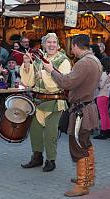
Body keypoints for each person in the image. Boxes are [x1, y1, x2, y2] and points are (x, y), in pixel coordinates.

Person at [43, 34, 101, 197]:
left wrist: (51, 70)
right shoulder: (94, 60)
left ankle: (83, 184)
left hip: (81, 111)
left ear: (76, 45)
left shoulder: (84, 63)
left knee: (78, 146)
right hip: (87, 107)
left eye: (72, 46)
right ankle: (88, 178)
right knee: (85, 143)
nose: (71, 49)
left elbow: (66, 82)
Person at [20, 33, 71, 172]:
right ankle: (37, 157)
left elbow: (62, 82)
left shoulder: (63, 60)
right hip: (38, 101)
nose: (51, 45)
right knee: (35, 132)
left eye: (54, 42)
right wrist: (26, 64)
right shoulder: (37, 59)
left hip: (55, 101)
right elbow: (29, 82)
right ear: (43, 44)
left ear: (58, 45)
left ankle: (51, 160)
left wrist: (44, 72)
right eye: (48, 42)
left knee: (51, 133)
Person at [93, 57, 110, 139]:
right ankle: (108, 130)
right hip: (107, 95)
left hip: (101, 95)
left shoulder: (103, 74)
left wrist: (96, 81)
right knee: (106, 114)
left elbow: (100, 85)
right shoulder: (108, 74)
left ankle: (103, 132)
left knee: (102, 114)